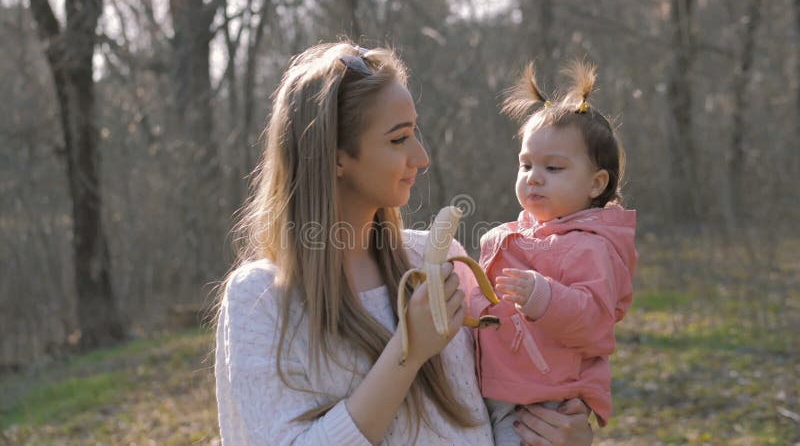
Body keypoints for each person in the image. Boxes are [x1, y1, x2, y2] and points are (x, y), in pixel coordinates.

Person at [214, 41, 594, 445]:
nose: (422, 156)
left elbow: (499, 410)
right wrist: (408, 352)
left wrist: (558, 434)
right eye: (399, 139)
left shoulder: (445, 258)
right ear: (336, 155)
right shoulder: (261, 299)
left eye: (415, 133)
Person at [470, 61, 637, 445]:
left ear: (596, 184)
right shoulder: (508, 237)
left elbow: (595, 321)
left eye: (554, 167)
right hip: (500, 384)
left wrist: (543, 296)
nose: (534, 177)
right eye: (525, 165)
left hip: (545, 398)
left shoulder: (591, 247)